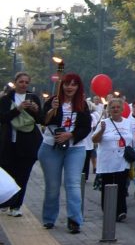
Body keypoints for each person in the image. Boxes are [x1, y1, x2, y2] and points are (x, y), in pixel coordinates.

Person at [39, 73, 92, 233]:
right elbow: (43, 121)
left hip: (75, 148)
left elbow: (86, 127)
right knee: (53, 186)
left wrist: (71, 134)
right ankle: (49, 219)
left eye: (74, 84)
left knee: (73, 184)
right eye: (67, 84)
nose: (70, 87)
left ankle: (74, 220)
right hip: (51, 148)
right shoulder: (53, 101)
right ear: (62, 85)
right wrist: (52, 109)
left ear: (78, 87)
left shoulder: (82, 105)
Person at [0, 72, 44, 216]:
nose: (24, 84)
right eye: (21, 82)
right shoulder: (6, 99)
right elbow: (3, 118)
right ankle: (6, 201)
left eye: (26, 82)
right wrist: (18, 109)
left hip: (28, 145)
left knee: (23, 176)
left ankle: (16, 206)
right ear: (15, 82)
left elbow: (40, 120)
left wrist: (35, 111)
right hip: (9, 144)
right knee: (8, 175)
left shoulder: (33, 98)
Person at [92, 96, 132, 221]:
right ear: (109, 109)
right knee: (108, 186)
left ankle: (121, 211)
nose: (115, 109)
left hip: (122, 160)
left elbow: (131, 140)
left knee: (121, 187)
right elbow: (94, 140)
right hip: (107, 160)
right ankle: (108, 210)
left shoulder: (127, 122)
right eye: (113, 107)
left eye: (118, 107)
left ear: (122, 109)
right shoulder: (104, 123)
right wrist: (102, 130)